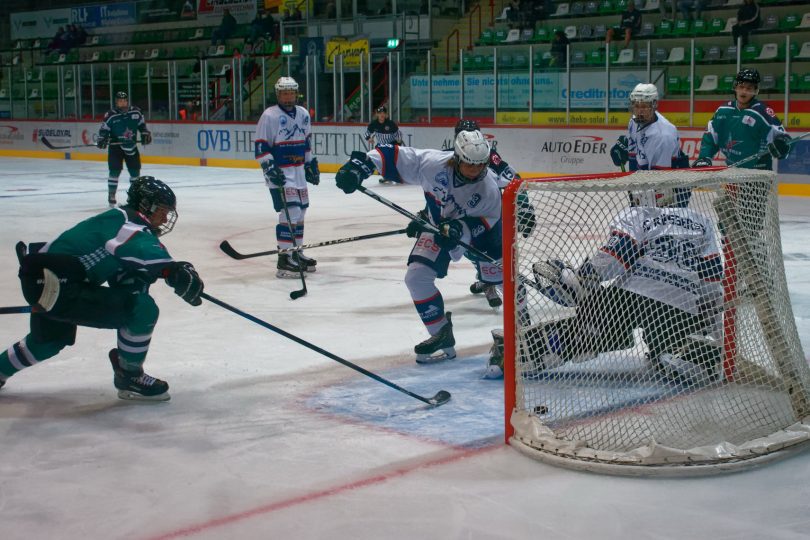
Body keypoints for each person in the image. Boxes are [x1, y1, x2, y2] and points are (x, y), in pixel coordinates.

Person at [486, 186, 723, 383]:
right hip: (683, 302)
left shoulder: (639, 214)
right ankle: (682, 350)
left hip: (634, 295)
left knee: (588, 325)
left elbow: (616, 256)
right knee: (665, 340)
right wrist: (710, 322)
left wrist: (584, 278)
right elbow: (711, 276)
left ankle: (516, 353)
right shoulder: (702, 221)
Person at [0, 176, 204, 401]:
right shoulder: (128, 224)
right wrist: (173, 270)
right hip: (55, 286)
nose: (165, 218)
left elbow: (128, 269)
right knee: (142, 310)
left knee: (47, 342)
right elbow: (144, 250)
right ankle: (130, 376)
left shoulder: (119, 219)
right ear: (147, 206)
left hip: (47, 279)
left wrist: (162, 273)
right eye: (162, 211)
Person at [334, 130, 504, 364]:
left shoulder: (489, 189)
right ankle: (441, 334)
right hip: (438, 226)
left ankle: (523, 325)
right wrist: (359, 166)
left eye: (480, 165)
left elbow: (487, 221)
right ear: (457, 158)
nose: (475, 170)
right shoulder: (432, 164)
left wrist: (459, 230)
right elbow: (390, 155)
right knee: (416, 278)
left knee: (504, 282)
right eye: (469, 165)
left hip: (485, 236)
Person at [453, 119, 536, 309]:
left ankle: (489, 280)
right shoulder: (447, 159)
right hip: (462, 218)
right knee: (469, 250)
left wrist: (524, 207)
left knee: (492, 251)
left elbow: (513, 179)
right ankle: (486, 279)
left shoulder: (489, 155)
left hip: (489, 214)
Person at [254, 76, 319, 278]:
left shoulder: (303, 114)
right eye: (284, 94)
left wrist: (310, 164)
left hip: (298, 171)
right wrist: (269, 167)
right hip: (280, 172)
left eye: (291, 93)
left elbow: (306, 142)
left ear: (296, 94)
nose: (288, 97)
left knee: (301, 212)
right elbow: (261, 147)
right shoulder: (269, 115)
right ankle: (284, 260)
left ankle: (296, 253)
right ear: (278, 94)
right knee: (290, 211)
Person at [693, 68, 790, 171]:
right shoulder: (723, 111)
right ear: (735, 87)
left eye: (749, 88)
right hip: (733, 171)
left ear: (755, 91)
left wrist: (782, 145)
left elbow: (784, 139)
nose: (744, 91)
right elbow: (711, 137)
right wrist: (704, 157)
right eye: (741, 87)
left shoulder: (763, 112)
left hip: (759, 173)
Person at [610, 83, 689, 175]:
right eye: (636, 106)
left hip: (672, 181)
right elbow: (636, 156)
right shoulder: (634, 122)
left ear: (654, 105)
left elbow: (659, 180)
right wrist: (625, 147)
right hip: (646, 177)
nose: (639, 111)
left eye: (644, 106)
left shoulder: (663, 136)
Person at [97, 91, 152, 207]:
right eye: (120, 101)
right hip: (115, 147)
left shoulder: (136, 112)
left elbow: (142, 125)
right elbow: (104, 129)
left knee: (135, 172)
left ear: (127, 101)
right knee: (114, 171)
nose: (122, 103)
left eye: (124, 100)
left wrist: (145, 133)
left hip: (131, 145)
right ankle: (111, 195)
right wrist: (102, 138)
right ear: (116, 102)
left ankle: (133, 195)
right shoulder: (110, 115)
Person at [364, 105, 404, 184]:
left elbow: (398, 135)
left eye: (383, 113)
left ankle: (398, 176)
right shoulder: (374, 124)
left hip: (392, 145)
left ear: (386, 115)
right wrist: (369, 138)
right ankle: (386, 177)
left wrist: (398, 145)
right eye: (380, 113)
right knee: (380, 161)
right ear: (377, 114)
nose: (381, 115)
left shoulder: (391, 124)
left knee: (392, 161)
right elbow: (366, 133)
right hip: (381, 146)